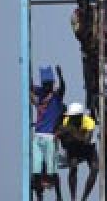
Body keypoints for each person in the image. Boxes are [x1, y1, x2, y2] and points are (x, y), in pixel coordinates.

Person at [31, 65, 67, 201]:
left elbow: (63, 88)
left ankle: (59, 197)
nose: (47, 86)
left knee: (52, 170)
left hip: (50, 137)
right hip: (38, 136)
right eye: (45, 84)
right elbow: (30, 87)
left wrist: (61, 76)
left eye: (49, 84)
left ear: (52, 84)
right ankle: (39, 196)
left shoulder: (56, 96)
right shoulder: (41, 93)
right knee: (36, 170)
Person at [58, 102, 100, 201]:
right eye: (71, 117)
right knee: (73, 167)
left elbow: (87, 140)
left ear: (80, 116)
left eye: (74, 117)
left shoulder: (89, 121)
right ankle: (73, 198)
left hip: (88, 147)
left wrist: (72, 132)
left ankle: (84, 198)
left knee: (95, 168)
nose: (72, 119)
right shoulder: (66, 121)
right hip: (73, 146)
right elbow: (63, 142)